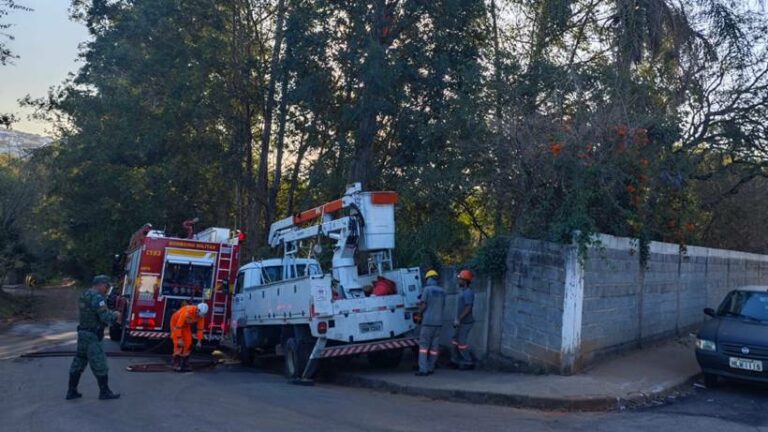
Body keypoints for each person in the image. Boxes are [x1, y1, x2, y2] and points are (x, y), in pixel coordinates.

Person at [67, 275, 122, 400]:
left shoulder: (84, 294)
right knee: (99, 363)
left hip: (83, 333)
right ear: (101, 284)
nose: (107, 288)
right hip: (93, 335)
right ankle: (104, 392)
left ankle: (71, 390)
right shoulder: (97, 298)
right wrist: (115, 315)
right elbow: (105, 317)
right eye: (106, 286)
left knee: (79, 361)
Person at [416, 269, 445, 376]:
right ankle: (431, 367)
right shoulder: (442, 291)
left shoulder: (427, 290)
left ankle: (423, 370)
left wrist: (418, 313)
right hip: (438, 323)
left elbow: (423, 305)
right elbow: (442, 306)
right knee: (434, 348)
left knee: (423, 347)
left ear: (429, 279)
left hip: (428, 322)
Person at [170, 302, 209, 372]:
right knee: (178, 344)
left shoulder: (201, 316)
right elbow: (179, 326)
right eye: (200, 315)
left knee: (188, 342)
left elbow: (200, 329)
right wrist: (179, 338)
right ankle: (176, 362)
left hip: (185, 326)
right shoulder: (187, 312)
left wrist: (199, 341)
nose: (200, 317)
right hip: (176, 323)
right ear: (197, 310)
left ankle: (185, 363)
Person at [451, 269, 475, 370]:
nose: (459, 280)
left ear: (465, 281)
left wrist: (459, 319)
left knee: (461, 343)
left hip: (465, 322)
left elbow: (468, 307)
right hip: (461, 322)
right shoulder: (463, 292)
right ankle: (455, 361)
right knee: (455, 341)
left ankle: (468, 362)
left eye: (460, 279)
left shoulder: (468, 293)